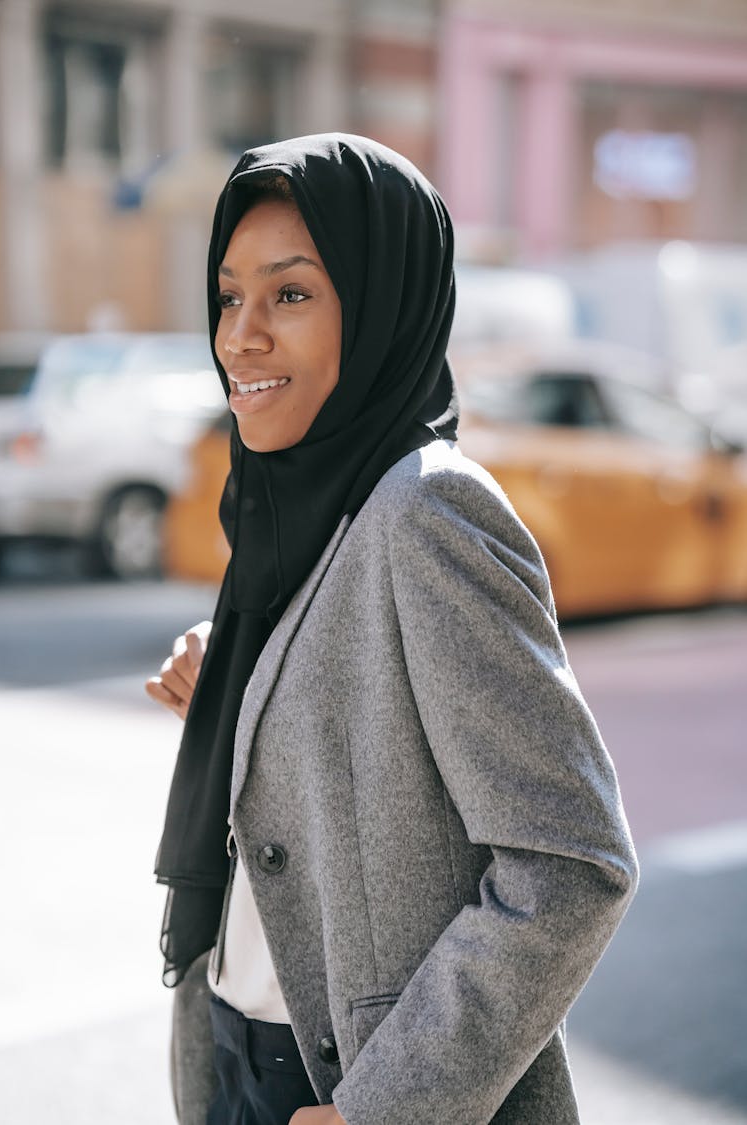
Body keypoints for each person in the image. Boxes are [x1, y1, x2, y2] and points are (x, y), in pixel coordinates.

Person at [147, 133, 638, 1125]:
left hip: (352, 1083)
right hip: (234, 1050)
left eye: (289, 295)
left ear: (377, 309)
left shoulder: (428, 510)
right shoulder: (288, 502)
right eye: (227, 296)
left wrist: (396, 1105)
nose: (241, 335)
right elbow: (342, 688)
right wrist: (244, 689)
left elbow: (573, 861)